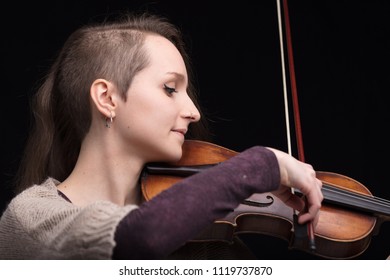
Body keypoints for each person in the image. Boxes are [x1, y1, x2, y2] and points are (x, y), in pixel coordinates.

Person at [0, 12, 323, 260]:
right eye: (170, 89)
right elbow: (142, 234)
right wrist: (260, 165)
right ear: (107, 99)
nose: (194, 111)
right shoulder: (30, 217)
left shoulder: (202, 235)